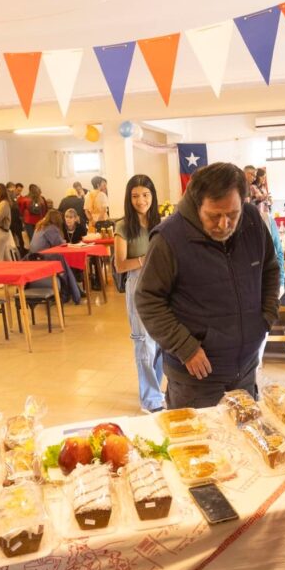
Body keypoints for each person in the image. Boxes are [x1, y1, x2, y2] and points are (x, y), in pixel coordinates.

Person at [136, 162, 280, 409]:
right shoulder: (169, 238)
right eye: (214, 216)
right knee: (198, 446)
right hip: (196, 379)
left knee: (243, 441)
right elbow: (148, 299)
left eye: (233, 215)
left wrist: (266, 316)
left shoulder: (252, 222)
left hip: (244, 368)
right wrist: (185, 346)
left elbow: (270, 268)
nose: (225, 224)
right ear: (196, 204)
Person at [114, 175, 165, 413]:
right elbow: (120, 265)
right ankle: (150, 399)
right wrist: (146, 259)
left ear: (152, 196)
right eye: (135, 196)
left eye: (145, 195)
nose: (140, 200)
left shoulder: (162, 223)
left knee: (163, 341)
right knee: (144, 343)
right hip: (138, 284)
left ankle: (153, 388)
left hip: (164, 285)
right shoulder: (123, 227)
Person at [28, 210, 82, 303]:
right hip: (43, 259)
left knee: (64, 262)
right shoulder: (51, 228)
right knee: (64, 263)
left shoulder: (40, 226)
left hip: (34, 258)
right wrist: (65, 241)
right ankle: (70, 293)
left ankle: (75, 290)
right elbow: (60, 243)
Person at [0, 182, 19, 262]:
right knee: (6, 257)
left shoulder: (4, 203)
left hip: (1, 231)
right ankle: (12, 273)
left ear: (1, 191)